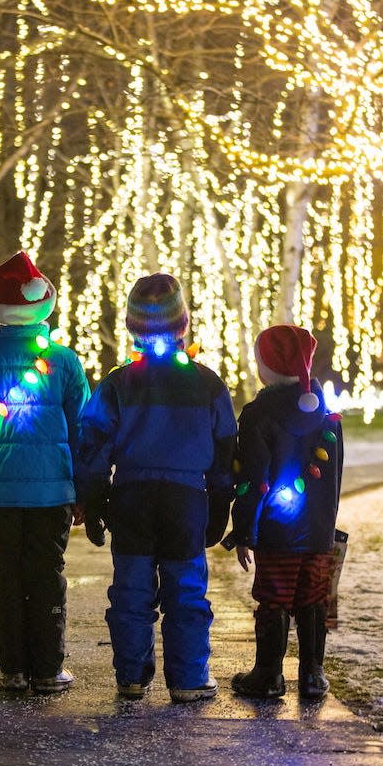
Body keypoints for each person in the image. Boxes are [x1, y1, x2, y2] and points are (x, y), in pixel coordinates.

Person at [76, 274, 237, 703]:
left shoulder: (117, 383)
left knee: (131, 589)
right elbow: (225, 447)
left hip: (131, 498)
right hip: (186, 501)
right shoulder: (207, 383)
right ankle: (187, 678)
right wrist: (220, 502)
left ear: (133, 327)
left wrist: (92, 501)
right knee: (185, 590)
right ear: (182, 324)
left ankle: (131, 675)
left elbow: (94, 444)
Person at [0, 251, 89, 694]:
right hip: (52, 491)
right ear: (42, 304)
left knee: (8, 576)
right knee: (47, 574)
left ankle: (12, 668)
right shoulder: (64, 363)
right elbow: (82, 430)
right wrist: (83, 490)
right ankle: (48, 669)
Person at [227, 325, 344, 700]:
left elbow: (252, 480)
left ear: (268, 367)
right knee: (313, 599)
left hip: (277, 532)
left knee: (274, 598)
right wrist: (326, 527)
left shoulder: (258, 414)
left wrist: (245, 531)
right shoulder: (328, 417)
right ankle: (312, 674)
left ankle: (269, 674)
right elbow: (335, 477)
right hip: (318, 532)